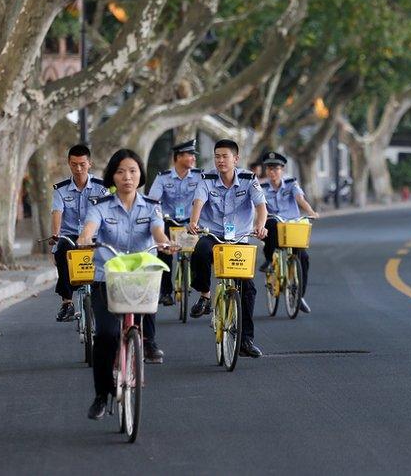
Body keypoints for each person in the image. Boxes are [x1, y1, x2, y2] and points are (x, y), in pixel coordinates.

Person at [75, 149, 174, 419]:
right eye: (120, 171)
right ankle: (100, 394)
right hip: (107, 279)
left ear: (140, 174)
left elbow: (157, 230)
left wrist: (164, 242)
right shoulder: (100, 206)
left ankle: (143, 344)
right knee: (106, 335)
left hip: (141, 278)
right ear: (112, 176)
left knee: (141, 320)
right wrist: (85, 238)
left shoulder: (152, 206)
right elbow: (89, 229)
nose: (127, 177)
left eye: (132, 171)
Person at [187, 139, 268, 358]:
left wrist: (260, 226)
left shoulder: (249, 180)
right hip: (213, 235)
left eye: (225, 156)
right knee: (201, 251)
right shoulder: (206, 179)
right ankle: (204, 296)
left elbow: (261, 207)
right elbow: (198, 202)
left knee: (248, 288)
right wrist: (194, 222)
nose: (220, 161)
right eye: (217, 156)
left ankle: (246, 341)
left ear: (236, 159)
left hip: (239, 238)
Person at [49, 144, 110, 322]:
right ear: (69, 163)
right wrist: (55, 236)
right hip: (70, 236)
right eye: (74, 164)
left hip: (95, 235)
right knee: (62, 252)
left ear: (90, 164)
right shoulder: (60, 190)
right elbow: (57, 213)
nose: (78, 168)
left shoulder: (101, 187)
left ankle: (104, 300)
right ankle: (67, 303)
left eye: (82, 164)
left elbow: (107, 213)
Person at [258, 152, 319, 313]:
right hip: (274, 223)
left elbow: (300, 199)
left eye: (276, 169)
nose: (273, 172)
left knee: (304, 258)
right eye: (269, 169)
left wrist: (311, 212)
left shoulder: (291, 183)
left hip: (291, 225)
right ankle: (270, 259)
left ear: (282, 170)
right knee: (270, 223)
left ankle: (300, 295)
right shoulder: (262, 187)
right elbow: (258, 206)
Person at [147, 139, 202, 307]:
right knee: (165, 251)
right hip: (170, 221)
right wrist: (159, 215)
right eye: (190, 155)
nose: (193, 158)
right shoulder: (162, 178)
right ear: (178, 157)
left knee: (199, 252)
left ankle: (196, 282)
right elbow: (153, 200)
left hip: (191, 223)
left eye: (194, 155)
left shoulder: (200, 176)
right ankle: (165, 292)